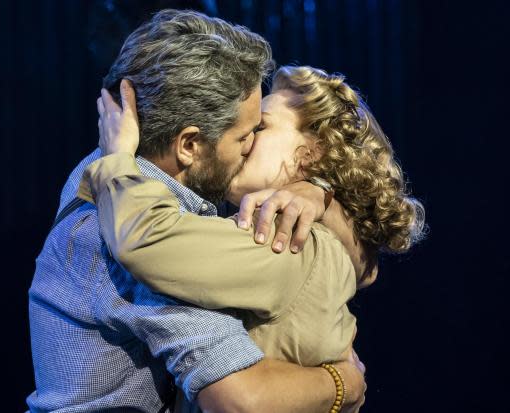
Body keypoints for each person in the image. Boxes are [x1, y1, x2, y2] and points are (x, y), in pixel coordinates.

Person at [27, 10, 365, 413]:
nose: (251, 145)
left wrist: (316, 191)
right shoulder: (126, 242)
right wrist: (343, 382)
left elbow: (363, 262)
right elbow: (241, 401)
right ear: (190, 145)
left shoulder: (103, 169)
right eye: (245, 134)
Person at [81, 64, 425, 384]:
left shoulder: (285, 236)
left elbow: (147, 239)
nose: (241, 135)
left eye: (260, 126)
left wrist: (117, 159)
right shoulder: (314, 231)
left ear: (312, 153)